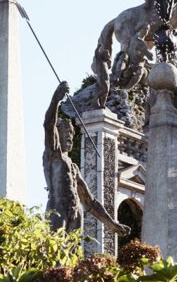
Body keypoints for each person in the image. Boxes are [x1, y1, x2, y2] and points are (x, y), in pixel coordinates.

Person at [43, 80, 130, 238]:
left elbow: (90, 202)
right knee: (55, 254)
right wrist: (56, 100)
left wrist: (112, 224)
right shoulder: (53, 155)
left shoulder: (73, 168)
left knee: (73, 257)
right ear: (57, 135)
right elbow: (48, 125)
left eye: (71, 134)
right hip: (58, 209)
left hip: (75, 211)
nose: (70, 137)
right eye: (66, 134)